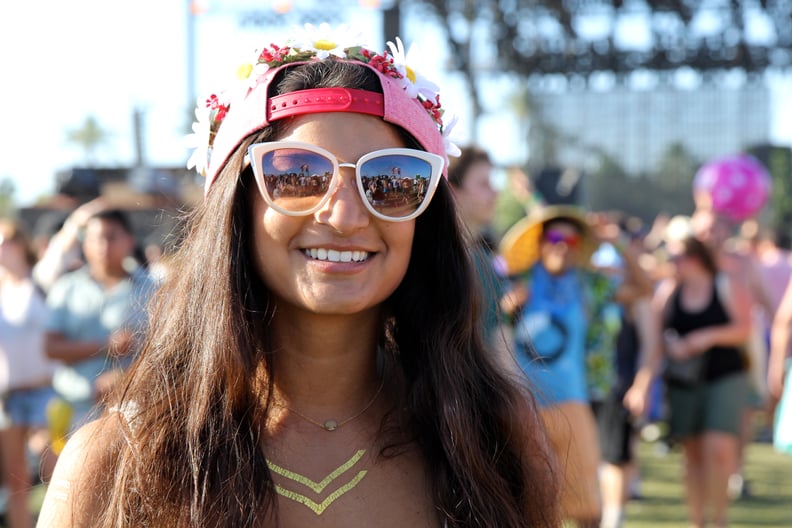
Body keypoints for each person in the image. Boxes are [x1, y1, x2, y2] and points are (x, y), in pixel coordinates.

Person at [38, 24, 560, 527]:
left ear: (425, 220)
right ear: (235, 207)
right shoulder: (119, 458)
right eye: (297, 174)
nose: (345, 215)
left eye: (391, 180)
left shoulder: (489, 436)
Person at [498, 205, 651, 527]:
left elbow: (644, 288)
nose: (561, 245)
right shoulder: (516, 281)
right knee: (529, 502)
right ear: (540, 242)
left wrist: (618, 242)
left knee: (586, 507)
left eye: (570, 240)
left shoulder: (590, 285)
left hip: (573, 402)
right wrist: (506, 306)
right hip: (523, 404)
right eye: (554, 236)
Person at [652, 232, 751, 528]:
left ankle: (719, 520)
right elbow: (654, 333)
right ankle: (698, 522)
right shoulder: (670, 291)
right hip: (685, 381)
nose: (670, 263)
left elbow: (744, 328)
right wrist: (672, 346)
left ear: (693, 258)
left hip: (725, 375)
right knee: (693, 455)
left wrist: (706, 338)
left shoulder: (724, 284)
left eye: (675, 257)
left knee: (718, 449)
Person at [43, 209, 155, 435]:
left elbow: (169, 350)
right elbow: (50, 348)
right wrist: (107, 346)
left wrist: (126, 378)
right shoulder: (66, 288)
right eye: (95, 238)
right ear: (85, 244)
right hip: (74, 409)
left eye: (111, 237)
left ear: (129, 241)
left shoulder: (152, 289)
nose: (103, 245)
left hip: (133, 411)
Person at [0, 219, 56, 528]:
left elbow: (61, 247)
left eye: (3, 240)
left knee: (54, 473)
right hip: (7, 396)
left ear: (19, 243)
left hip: (44, 391)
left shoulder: (40, 279)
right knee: (15, 483)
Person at [447, 146, 509, 355]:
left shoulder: (486, 260)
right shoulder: (433, 262)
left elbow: (499, 340)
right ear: (453, 190)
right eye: (484, 184)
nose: (495, 193)